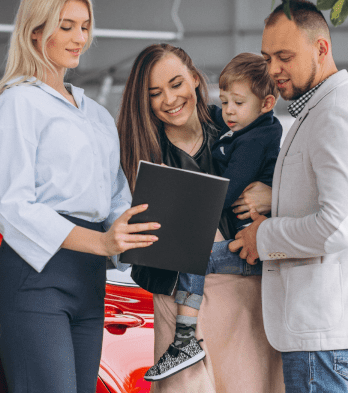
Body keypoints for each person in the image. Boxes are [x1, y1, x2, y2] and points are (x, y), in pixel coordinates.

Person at [0, 0, 160, 393]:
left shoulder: (96, 114)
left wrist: (143, 242)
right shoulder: (15, 103)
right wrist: (101, 243)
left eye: (84, 26)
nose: (79, 38)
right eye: (66, 27)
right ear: (35, 30)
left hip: (89, 282)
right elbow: (13, 208)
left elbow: (115, 198)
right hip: (35, 281)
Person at [230, 0, 348, 393]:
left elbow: (339, 224)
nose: (273, 69)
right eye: (267, 56)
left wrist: (264, 235)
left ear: (321, 48)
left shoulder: (334, 114)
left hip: (329, 339)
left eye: (284, 56)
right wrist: (275, 198)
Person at [117, 43, 285, 392]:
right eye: (155, 93)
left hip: (243, 292)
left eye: (176, 84)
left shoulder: (238, 125)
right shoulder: (139, 151)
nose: (169, 99)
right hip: (178, 301)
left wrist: (275, 195)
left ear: (194, 79)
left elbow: (300, 188)